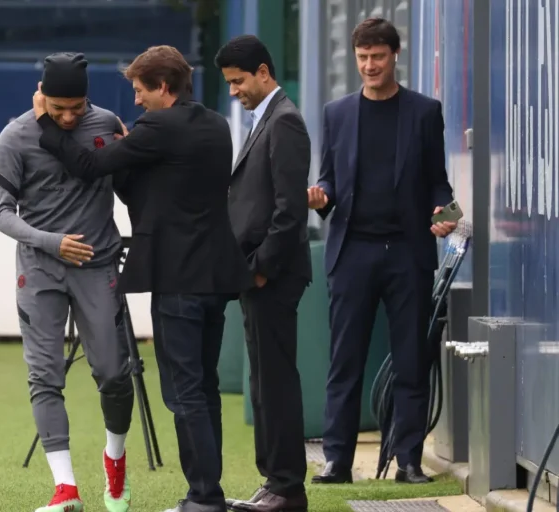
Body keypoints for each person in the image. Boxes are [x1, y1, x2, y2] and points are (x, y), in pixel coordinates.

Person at [32, 45, 254, 512]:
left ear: (163, 87)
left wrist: (47, 125)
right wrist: (130, 157)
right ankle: (207, 492)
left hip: (177, 277)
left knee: (183, 392)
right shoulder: (216, 124)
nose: (135, 100)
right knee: (205, 387)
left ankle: (204, 498)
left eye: (139, 90)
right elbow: (152, 194)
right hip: (216, 276)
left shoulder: (158, 128)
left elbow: (89, 167)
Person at [307, 18, 458, 486]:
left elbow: (438, 181)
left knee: (412, 360)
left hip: (408, 253)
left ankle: (408, 461)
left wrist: (445, 212)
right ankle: (337, 461)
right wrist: (321, 196)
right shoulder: (336, 113)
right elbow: (329, 177)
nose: (370, 65)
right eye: (362, 58)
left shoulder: (424, 112)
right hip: (352, 251)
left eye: (377, 56)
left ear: (395, 55)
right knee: (344, 361)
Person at [0, 52, 134, 512]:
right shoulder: (15, 136)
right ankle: (65, 488)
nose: (69, 117)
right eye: (58, 109)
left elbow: (131, 185)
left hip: (98, 265)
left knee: (114, 374)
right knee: (44, 375)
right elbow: (1, 215)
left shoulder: (108, 124)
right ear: (41, 95)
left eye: (77, 107)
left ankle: (115, 459)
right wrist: (51, 242)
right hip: (39, 270)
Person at [213, 34, 312, 512]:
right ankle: (274, 481)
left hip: (272, 275)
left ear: (264, 73)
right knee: (264, 383)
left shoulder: (285, 121)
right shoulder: (267, 119)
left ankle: (287, 487)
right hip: (258, 273)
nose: (234, 91)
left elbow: (290, 211)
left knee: (275, 382)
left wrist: (261, 270)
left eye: (238, 82)